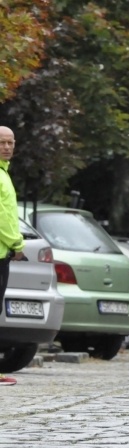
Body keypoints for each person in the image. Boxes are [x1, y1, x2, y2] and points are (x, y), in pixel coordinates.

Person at [0, 126, 26, 385]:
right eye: (2, 143)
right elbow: (3, 218)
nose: (7, 147)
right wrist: (16, 243)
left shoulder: (4, 174)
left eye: (10, 142)